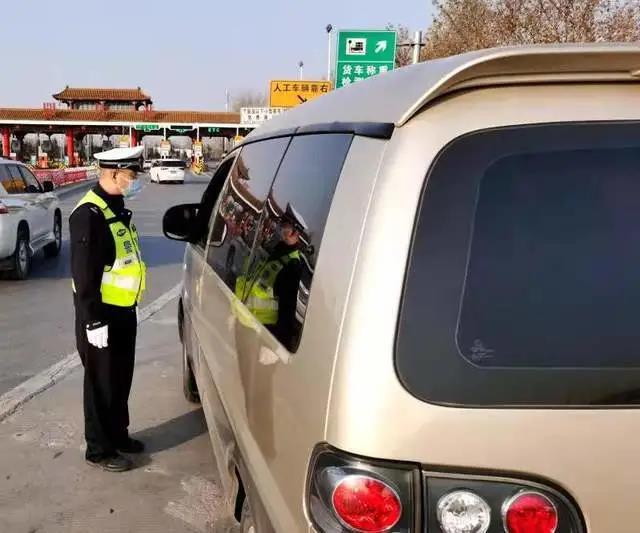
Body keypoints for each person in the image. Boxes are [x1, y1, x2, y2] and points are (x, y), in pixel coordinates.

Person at [69, 146, 147, 472]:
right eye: (131, 175)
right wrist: (93, 321)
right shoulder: (90, 214)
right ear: (114, 174)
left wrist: (130, 305)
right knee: (100, 384)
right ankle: (99, 449)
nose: (135, 180)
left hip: (123, 310)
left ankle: (118, 434)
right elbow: (84, 275)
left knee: (120, 378)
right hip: (101, 316)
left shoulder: (117, 209)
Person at [235, 204, 306, 351]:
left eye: (285, 225)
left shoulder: (293, 264)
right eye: (282, 223)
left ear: (295, 232)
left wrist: (276, 347)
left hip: (263, 335)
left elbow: (288, 310)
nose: (281, 227)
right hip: (248, 323)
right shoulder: (277, 250)